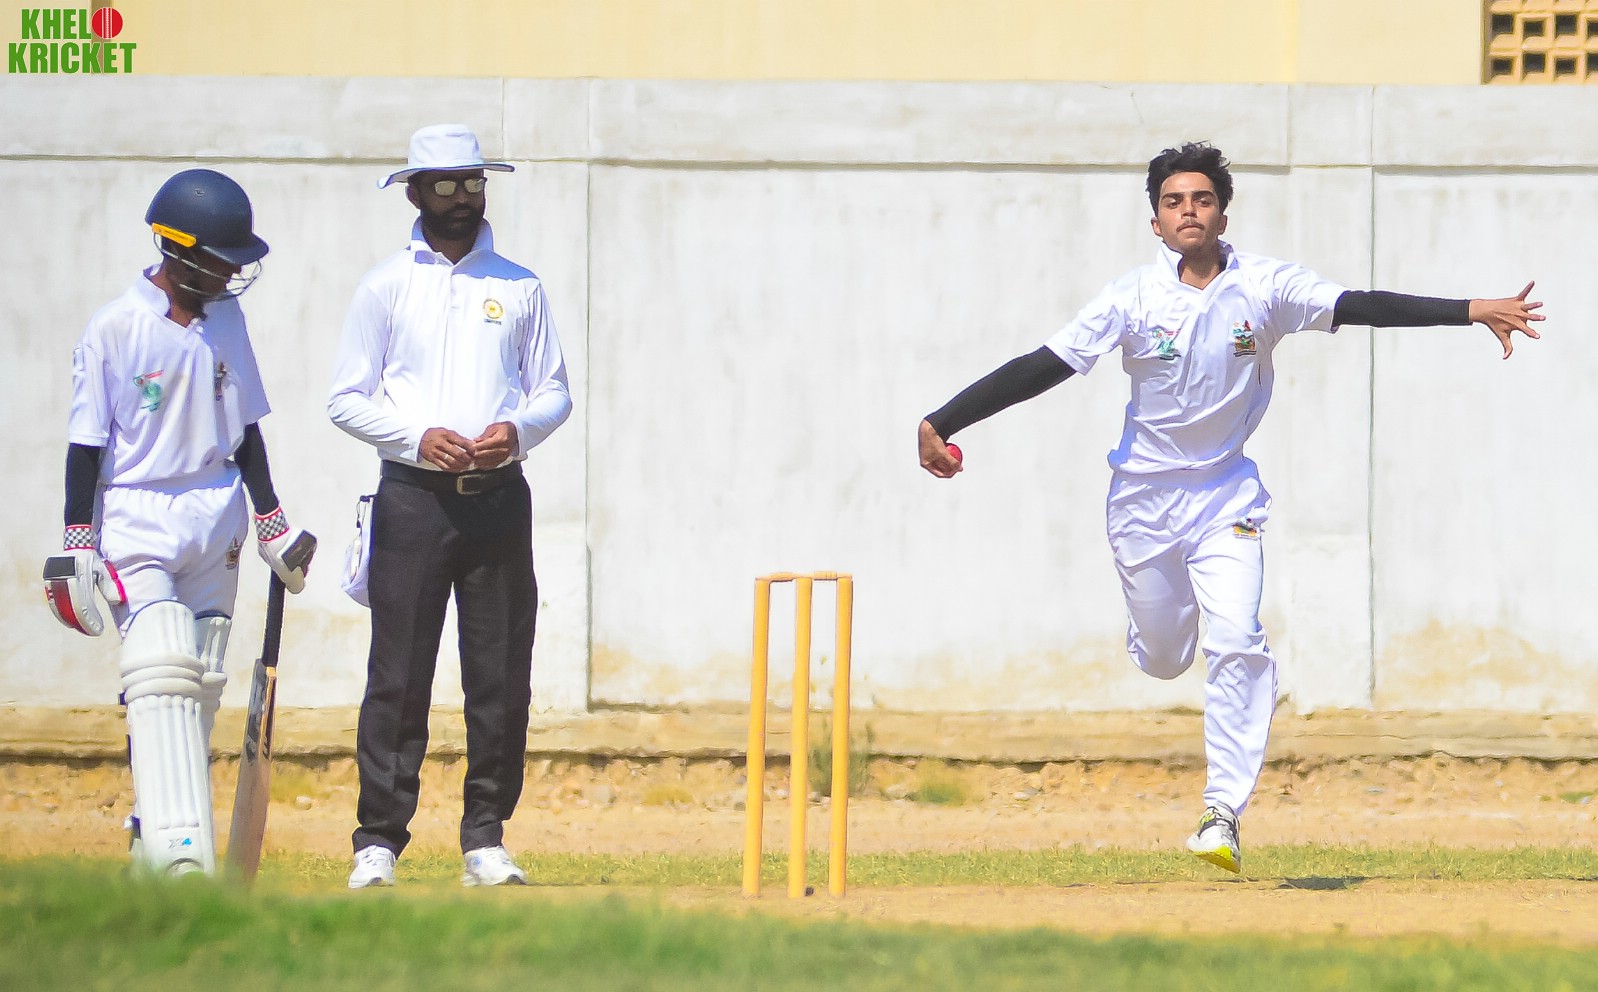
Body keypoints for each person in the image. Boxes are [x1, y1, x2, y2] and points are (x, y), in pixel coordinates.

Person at [916, 142, 1543, 873]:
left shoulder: (1265, 287)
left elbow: (1358, 305)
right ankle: (1155, 632)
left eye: (1202, 199)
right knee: (1163, 659)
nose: (1189, 211)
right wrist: (943, 421)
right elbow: (1042, 366)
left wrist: (1471, 311)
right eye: (1174, 201)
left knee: (1239, 638)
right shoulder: (1130, 299)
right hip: (1142, 500)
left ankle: (1221, 813)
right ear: (1155, 221)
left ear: (1222, 213)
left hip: (1226, 496)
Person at [45, 168, 315, 877]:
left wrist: (272, 522)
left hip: (217, 510)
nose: (230, 275)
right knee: (161, 666)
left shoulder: (227, 319)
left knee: (201, 676)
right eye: (220, 261)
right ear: (175, 249)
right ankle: (179, 860)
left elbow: (245, 429)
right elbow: (85, 445)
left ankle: (150, 837)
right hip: (137, 512)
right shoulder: (114, 328)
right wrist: (77, 541)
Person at [328, 123, 572, 889]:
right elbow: (344, 398)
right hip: (412, 502)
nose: (463, 198)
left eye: (473, 183)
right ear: (414, 193)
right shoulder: (385, 286)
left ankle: (485, 839)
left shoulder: (520, 286)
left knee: (499, 676)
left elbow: (554, 392)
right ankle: (378, 841)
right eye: (444, 185)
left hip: (498, 502)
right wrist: (416, 438)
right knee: (398, 674)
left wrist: (518, 431)